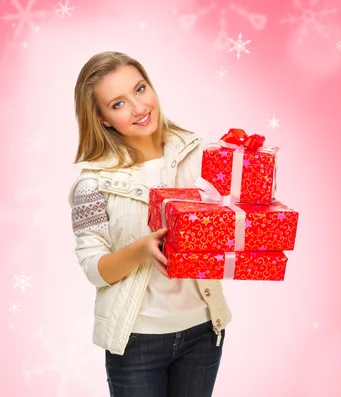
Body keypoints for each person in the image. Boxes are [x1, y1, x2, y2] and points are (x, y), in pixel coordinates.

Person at [67, 51, 232, 397]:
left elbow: (236, 217)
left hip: (203, 330)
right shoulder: (90, 185)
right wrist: (140, 250)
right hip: (136, 340)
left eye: (140, 89)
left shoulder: (200, 155)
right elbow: (94, 269)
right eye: (118, 104)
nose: (139, 108)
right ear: (102, 119)